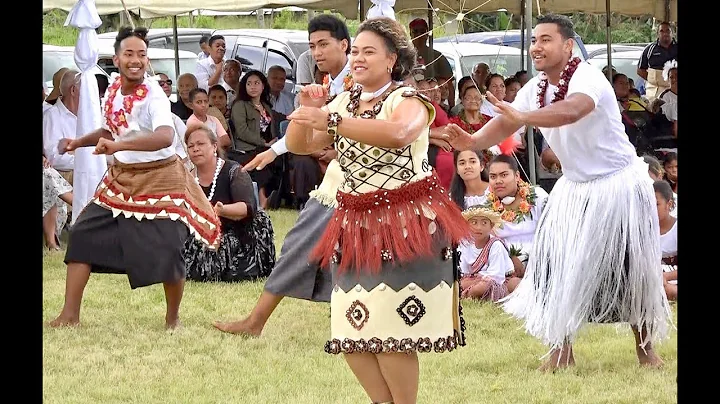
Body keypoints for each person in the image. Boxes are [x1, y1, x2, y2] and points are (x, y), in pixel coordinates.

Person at [445, 14, 671, 371]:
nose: (536, 46)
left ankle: (646, 351)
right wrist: (472, 140)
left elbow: (573, 110)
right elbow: (506, 120)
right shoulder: (536, 88)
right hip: (574, 187)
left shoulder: (587, 76)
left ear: (568, 45)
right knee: (555, 267)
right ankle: (560, 352)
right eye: (534, 39)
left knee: (631, 268)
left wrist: (524, 118)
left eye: (546, 39)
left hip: (619, 184)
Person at [284, 17, 470, 404]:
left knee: (391, 334)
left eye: (369, 52)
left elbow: (399, 134)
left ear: (392, 61)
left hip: (406, 225)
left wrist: (332, 119)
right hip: (354, 225)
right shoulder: (344, 101)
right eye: (355, 51)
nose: (358, 58)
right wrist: (308, 109)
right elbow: (301, 145)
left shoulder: (408, 100)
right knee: (350, 333)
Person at [48, 27, 221, 330]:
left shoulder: (154, 93)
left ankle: (172, 319)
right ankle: (69, 315)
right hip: (123, 178)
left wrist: (119, 146)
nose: (136, 60)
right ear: (116, 59)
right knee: (82, 233)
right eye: (129, 54)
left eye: (142, 54)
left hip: (162, 178)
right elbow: (110, 130)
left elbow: (165, 137)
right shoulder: (113, 89)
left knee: (169, 248)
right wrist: (79, 143)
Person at [212, 14, 353, 337]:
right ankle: (256, 322)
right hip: (338, 181)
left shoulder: (357, 82)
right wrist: (274, 151)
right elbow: (310, 131)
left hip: (361, 186)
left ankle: (259, 322)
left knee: (352, 257)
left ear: (345, 45)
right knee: (300, 245)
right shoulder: (331, 84)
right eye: (312, 46)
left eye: (324, 44)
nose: (316, 52)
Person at [183, 124, 276, 282]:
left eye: (200, 144)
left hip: (238, 231)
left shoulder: (234, 170)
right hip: (205, 233)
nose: (195, 149)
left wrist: (221, 210)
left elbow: (247, 207)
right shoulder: (189, 178)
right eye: (191, 146)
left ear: (214, 146)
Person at [458, 206, 513, 302]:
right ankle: (468, 294)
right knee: (459, 284)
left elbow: (496, 276)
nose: (479, 228)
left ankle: (466, 295)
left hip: (496, 281)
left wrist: (477, 281)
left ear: (491, 226)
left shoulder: (496, 245)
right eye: (474, 223)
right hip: (473, 279)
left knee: (482, 287)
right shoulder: (465, 243)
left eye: (484, 223)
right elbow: (463, 271)